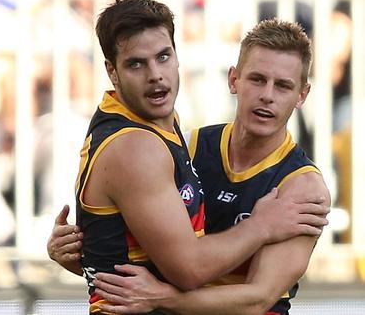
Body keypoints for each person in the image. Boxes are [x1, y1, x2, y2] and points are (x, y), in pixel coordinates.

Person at [48, 18, 331, 314]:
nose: (267, 95)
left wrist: (163, 299)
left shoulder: (302, 189)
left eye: (283, 86)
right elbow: (140, 274)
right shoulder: (189, 147)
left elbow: (257, 300)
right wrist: (80, 255)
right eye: (257, 79)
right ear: (234, 80)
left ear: (302, 95)